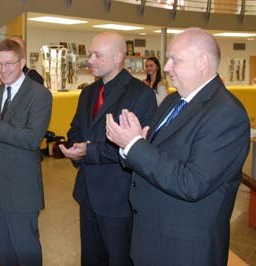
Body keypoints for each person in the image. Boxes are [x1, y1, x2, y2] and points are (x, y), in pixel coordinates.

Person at [106, 28, 250, 266]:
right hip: (152, 236)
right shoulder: (174, 100)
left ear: (202, 62)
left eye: (175, 59)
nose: (166, 66)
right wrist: (132, 144)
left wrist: (133, 145)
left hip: (185, 248)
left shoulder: (226, 114)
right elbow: (153, 155)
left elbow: (192, 183)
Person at [59, 32, 157, 265]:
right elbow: (76, 128)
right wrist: (75, 147)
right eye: (90, 54)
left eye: (97, 55)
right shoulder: (88, 92)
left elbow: (137, 147)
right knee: (91, 258)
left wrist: (88, 151)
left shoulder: (140, 94)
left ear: (118, 57)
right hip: (87, 195)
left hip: (117, 197)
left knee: (120, 258)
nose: (90, 60)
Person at [0, 39, 52, 266]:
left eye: (9, 64)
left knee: (26, 251)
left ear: (22, 62)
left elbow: (32, 139)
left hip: (21, 190)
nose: (3, 70)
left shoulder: (39, 95)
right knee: (3, 252)